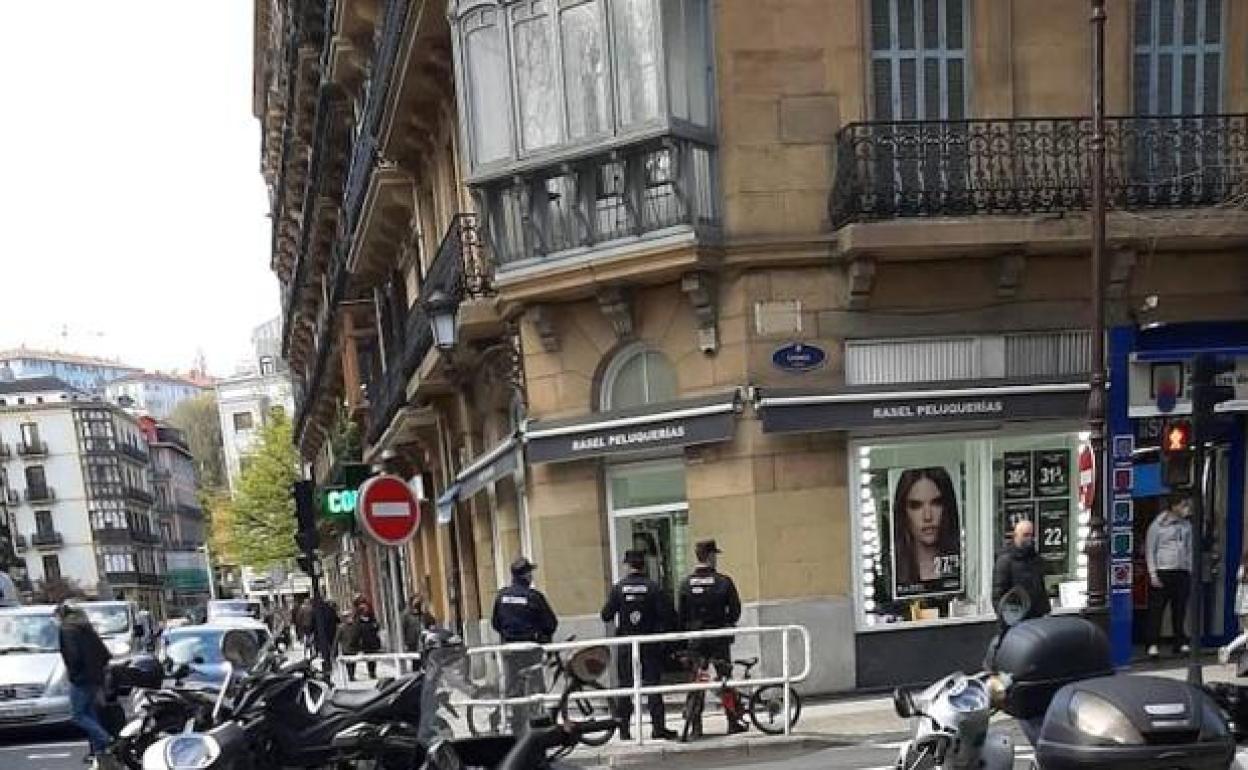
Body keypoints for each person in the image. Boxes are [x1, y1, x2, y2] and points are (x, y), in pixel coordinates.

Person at [601, 549, 677, 741]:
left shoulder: (619, 588)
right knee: (652, 685)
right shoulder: (653, 588)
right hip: (649, 643)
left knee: (625, 687)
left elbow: (606, 615)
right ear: (644, 565)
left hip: (627, 644)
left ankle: (624, 729)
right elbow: (668, 616)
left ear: (627, 565)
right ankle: (658, 727)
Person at [677, 539, 744, 737]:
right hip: (719, 637)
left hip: (696, 639)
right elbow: (735, 610)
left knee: (696, 681)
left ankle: (695, 726)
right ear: (711, 556)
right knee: (724, 680)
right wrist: (726, 623)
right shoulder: (723, 581)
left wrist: (687, 632)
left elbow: (681, 614)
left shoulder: (686, 584)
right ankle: (732, 721)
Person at [491, 557, 558, 732]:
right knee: (536, 689)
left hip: (510, 649)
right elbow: (551, 624)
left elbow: (495, 623)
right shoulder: (534, 597)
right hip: (530, 649)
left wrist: (509, 634)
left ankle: (516, 727)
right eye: (530, 573)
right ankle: (537, 725)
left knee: (513, 689)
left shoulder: (502, 596)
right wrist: (541, 636)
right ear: (526, 575)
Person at [57, 602, 116, 767]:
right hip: (95, 677)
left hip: (81, 678)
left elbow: (72, 656)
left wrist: (74, 674)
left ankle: (105, 738)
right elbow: (104, 653)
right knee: (90, 712)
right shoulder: (86, 628)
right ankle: (100, 750)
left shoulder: (67, 630)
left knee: (78, 715)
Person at [892, 467, 962, 590]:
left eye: (936, 503)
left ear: (947, 508)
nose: (928, 516)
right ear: (903, 513)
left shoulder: (965, 568)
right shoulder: (892, 572)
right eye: (916, 506)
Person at [1146, 495, 1193, 658]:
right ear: (1174, 507)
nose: (1186, 508)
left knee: (1179, 610)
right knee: (1157, 610)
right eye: (1183, 504)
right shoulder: (1158, 526)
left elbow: (1189, 549)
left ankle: (1179, 642)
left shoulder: (1186, 526)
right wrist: (1153, 573)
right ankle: (1153, 643)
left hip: (1181, 571)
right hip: (1163, 571)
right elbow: (1150, 550)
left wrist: (1190, 570)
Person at [992, 519, 1052, 620]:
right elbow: (998, 595)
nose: (1029, 538)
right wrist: (1007, 619)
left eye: (1031, 535)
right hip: (1015, 620)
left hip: (1036, 618)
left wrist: (1046, 611)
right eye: (1025, 535)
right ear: (1016, 536)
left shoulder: (1036, 559)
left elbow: (1041, 589)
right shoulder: (1005, 560)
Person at [1218, 551, 1248, 671]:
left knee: (1246, 634)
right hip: (1246, 607)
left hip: (1241, 608)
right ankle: (1227, 649)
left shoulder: (1242, 570)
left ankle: (1243, 665)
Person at [312, 597, 340, 674]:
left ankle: (327, 665)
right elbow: (337, 619)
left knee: (324, 649)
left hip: (320, 634)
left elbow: (312, 623)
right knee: (333, 646)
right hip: (331, 631)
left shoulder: (315, 611)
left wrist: (313, 631)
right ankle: (333, 658)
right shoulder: (331, 609)